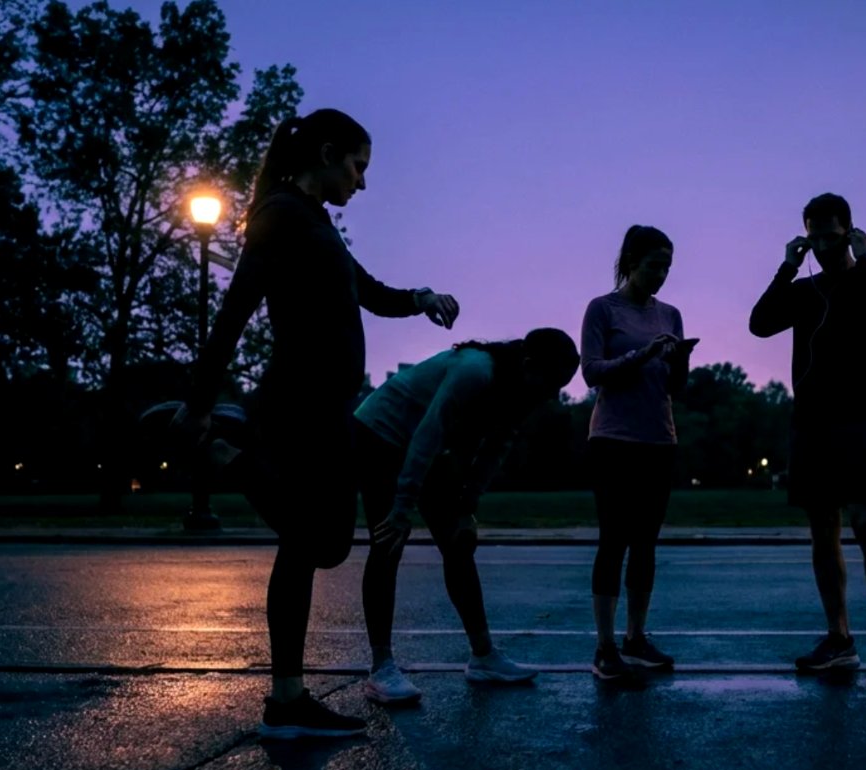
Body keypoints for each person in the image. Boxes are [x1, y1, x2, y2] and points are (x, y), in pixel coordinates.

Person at [175, 108, 462, 738]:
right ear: (328, 153)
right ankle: (227, 454)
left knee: (314, 545)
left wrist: (419, 299)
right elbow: (236, 309)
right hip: (298, 405)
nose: (362, 183)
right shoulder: (278, 216)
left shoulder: (316, 222)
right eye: (358, 166)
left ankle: (287, 700)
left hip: (329, 408)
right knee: (319, 541)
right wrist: (198, 403)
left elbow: (367, 291)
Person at [353, 329, 581, 704]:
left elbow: (495, 448)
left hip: (424, 444)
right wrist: (402, 505)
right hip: (380, 432)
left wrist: (466, 509)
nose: (553, 393)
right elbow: (429, 431)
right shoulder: (475, 371)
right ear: (528, 365)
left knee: (458, 543)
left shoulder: (519, 392)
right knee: (388, 542)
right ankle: (382, 668)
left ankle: (483, 656)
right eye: (552, 382)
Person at [748, 193, 866, 685]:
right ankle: (839, 640)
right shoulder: (803, 290)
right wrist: (786, 268)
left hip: (859, 418)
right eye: (812, 237)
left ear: (850, 233)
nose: (820, 246)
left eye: (829, 237)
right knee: (823, 529)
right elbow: (759, 323)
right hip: (812, 421)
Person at [580, 225, 696, 683]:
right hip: (613, 439)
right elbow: (591, 372)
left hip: (659, 439)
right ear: (630, 261)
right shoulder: (602, 309)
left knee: (646, 542)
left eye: (667, 267)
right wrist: (644, 355)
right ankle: (605, 646)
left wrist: (679, 362)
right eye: (653, 266)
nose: (662, 275)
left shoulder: (671, 314)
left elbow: (676, 388)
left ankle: (636, 636)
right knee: (614, 539)